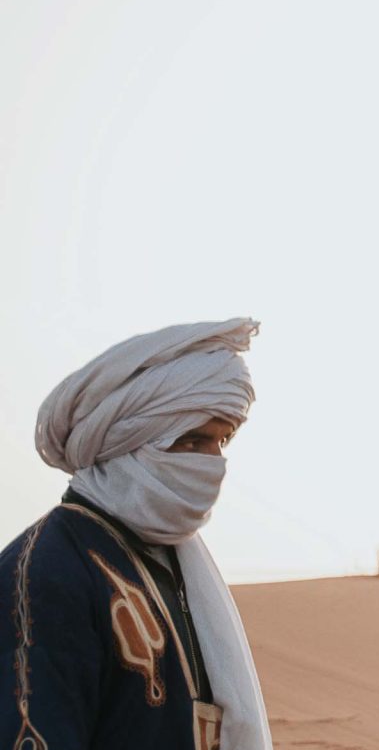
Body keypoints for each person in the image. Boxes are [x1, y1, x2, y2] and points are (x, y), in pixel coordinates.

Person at [2, 318, 273, 749]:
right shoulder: (46, 571)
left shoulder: (176, 566)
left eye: (223, 442)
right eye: (192, 442)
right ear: (126, 441)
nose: (213, 463)